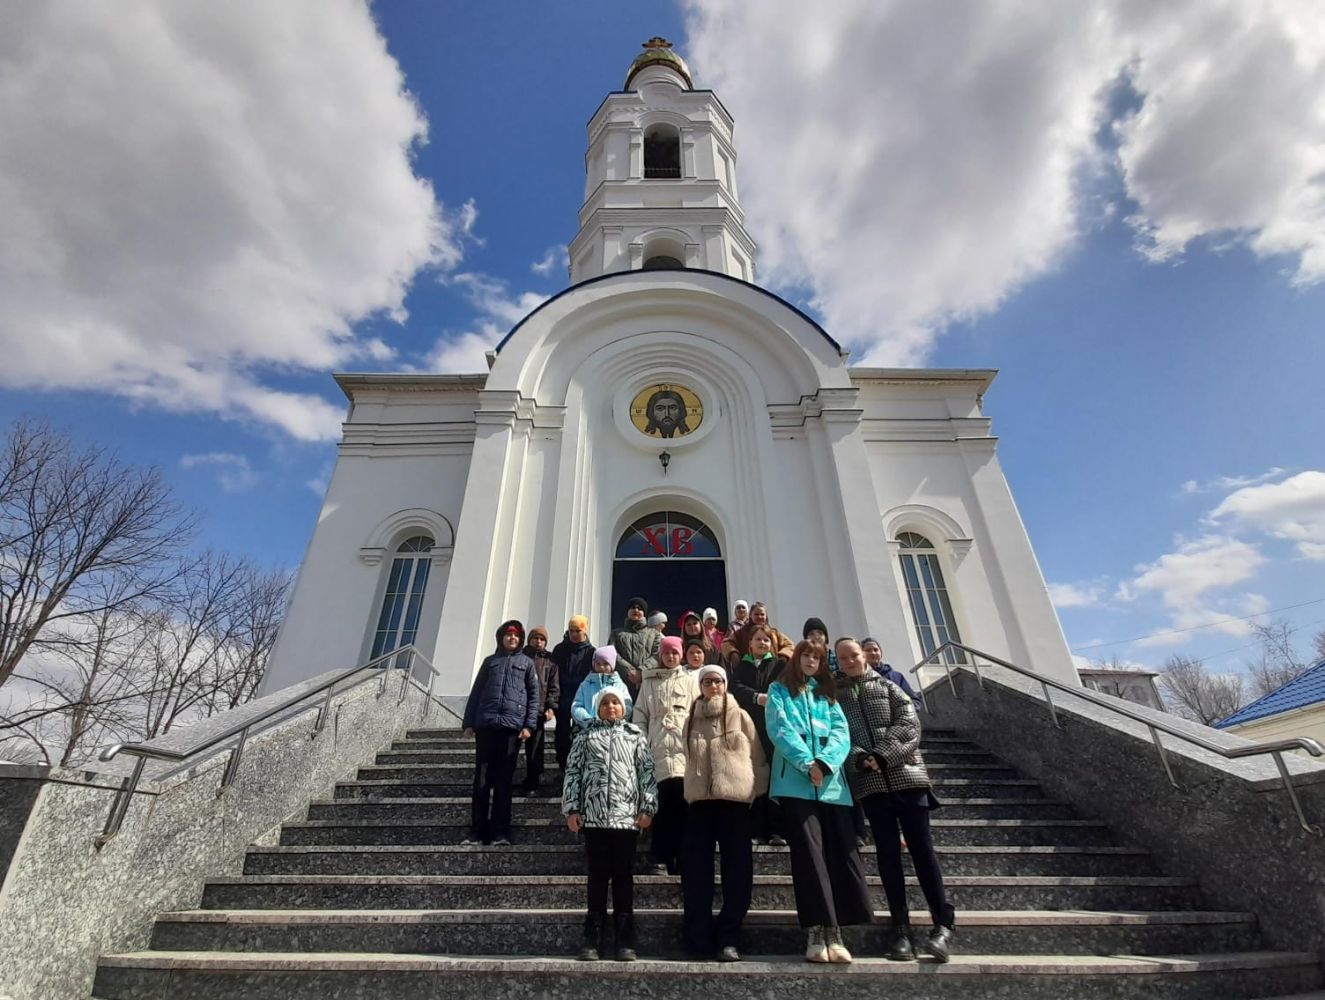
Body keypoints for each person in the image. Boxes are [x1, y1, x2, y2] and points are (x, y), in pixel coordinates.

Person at [836, 637, 954, 962]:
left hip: (908, 779)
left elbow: (909, 724)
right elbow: (838, 735)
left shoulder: (889, 686)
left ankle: (942, 925)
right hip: (872, 786)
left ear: (865, 656)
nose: (849, 661)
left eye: (853, 655)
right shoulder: (838, 696)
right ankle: (900, 930)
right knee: (888, 857)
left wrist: (883, 755)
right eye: (842, 657)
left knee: (923, 852)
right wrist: (860, 759)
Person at [766, 639, 872, 964]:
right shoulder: (779, 690)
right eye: (806, 656)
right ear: (796, 659)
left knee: (840, 854)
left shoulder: (827, 695)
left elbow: (842, 733)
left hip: (831, 785)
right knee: (808, 856)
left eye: (817, 657)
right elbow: (779, 728)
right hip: (796, 784)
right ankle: (815, 929)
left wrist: (825, 764)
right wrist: (806, 764)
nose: (811, 661)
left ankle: (836, 930)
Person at [563, 687, 658, 962]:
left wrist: (647, 807)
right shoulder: (585, 736)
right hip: (593, 818)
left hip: (625, 819)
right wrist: (572, 808)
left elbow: (647, 774)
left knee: (623, 878)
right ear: (597, 707)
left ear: (623, 706)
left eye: (615, 702)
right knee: (597, 877)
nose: (611, 707)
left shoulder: (635, 736)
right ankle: (592, 938)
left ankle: (625, 939)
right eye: (605, 703)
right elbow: (573, 773)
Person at [681, 664, 768, 961]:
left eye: (718, 681)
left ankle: (729, 935)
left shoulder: (741, 716)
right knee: (695, 871)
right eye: (707, 681)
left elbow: (758, 758)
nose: (713, 686)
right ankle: (699, 936)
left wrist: (753, 793)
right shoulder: (690, 718)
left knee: (738, 871)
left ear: (726, 684)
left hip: (735, 802)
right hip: (700, 803)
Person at [461, 620, 539, 846]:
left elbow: (534, 697)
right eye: (508, 635)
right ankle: (477, 831)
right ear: (501, 638)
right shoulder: (490, 662)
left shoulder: (527, 663)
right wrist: (469, 722)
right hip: (486, 725)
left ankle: (501, 832)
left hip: (511, 729)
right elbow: (476, 692)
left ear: (520, 640)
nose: (512, 639)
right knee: (482, 781)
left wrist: (528, 726)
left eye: (516, 636)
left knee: (504, 782)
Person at [633, 635, 700, 875]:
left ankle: (683, 858)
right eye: (666, 653)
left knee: (683, 808)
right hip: (658, 750)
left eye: (674, 653)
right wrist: (642, 741)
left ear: (680, 654)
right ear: (660, 656)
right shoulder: (649, 683)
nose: (670, 657)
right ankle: (659, 857)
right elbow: (640, 714)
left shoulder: (692, 681)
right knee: (660, 807)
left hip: (684, 753)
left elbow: (698, 713)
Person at [728, 624, 787, 845]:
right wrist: (755, 697)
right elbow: (736, 687)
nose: (762, 643)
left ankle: (776, 830)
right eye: (758, 639)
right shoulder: (742, 667)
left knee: (773, 776)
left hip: (774, 728)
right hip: (749, 727)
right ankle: (754, 830)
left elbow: (783, 688)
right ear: (750, 643)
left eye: (766, 640)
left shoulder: (779, 665)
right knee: (753, 776)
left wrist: (767, 697)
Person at [551, 615, 596, 771]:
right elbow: (553, 674)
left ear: (584, 631)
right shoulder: (559, 650)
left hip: (582, 699)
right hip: (563, 696)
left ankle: (580, 766)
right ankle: (563, 764)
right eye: (571, 631)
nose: (574, 634)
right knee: (562, 733)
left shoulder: (591, 652)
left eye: (578, 631)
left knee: (581, 733)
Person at [521, 626, 559, 795]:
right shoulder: (520, 657)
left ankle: (533, 781)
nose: (538, 642)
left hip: (538, 710)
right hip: (518, 709)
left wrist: (551, 707)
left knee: (535, 749)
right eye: (535, 638)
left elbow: (554, 685)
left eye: (542, 639)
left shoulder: (550, 661)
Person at [571, 646, 634, 727]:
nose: (601, 667)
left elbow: (627, 705)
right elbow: (577, 706)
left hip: (615, 730)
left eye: (605, 663)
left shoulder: (620, 685)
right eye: (598, 663)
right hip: (589, 730)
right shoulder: (585, 685)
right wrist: (588, 720)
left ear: (612, 665)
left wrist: (616, 720)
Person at [612, 596, 659, 698]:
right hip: (622, 683)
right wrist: (629, 671)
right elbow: (612, 653)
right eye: (632, 607)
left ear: (644, 613)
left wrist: (641, 672)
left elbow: (657, 655)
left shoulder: (654, 634)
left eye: (639, 608)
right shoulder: (616, 633)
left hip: (647, 684)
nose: (636, 610)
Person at [722, 601, 795, 662]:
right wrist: (733, 653)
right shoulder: (742, 632)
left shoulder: (774, 633)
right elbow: (727, 643)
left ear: (766, 616)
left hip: (771, 670)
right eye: (756, 614)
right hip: (748, 669)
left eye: (762, 614)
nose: (759, 617)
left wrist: (783, 656)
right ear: (750, 615)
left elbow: (790, 645)